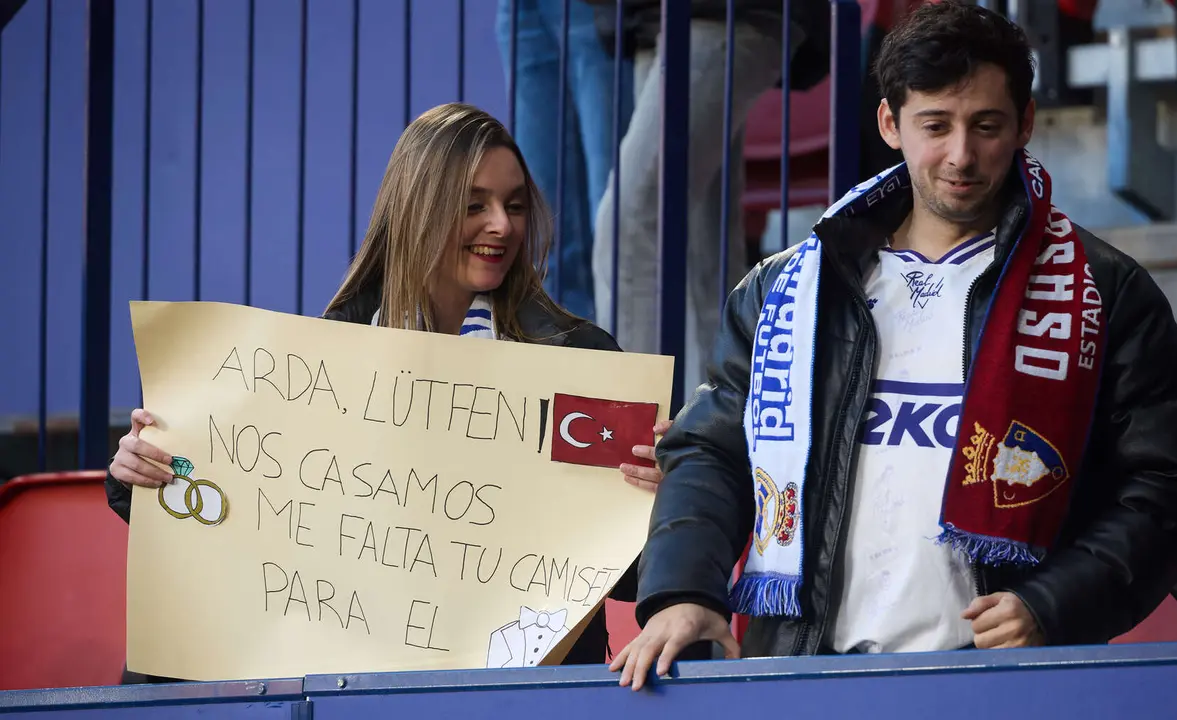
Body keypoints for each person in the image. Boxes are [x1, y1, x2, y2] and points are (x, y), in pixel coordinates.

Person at [611, 1, 1177, 690]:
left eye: (986, 126)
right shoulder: (790, 288)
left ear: (1025, 124)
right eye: (936, 125)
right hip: (804, 676)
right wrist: (684, 591)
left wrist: (1051, 604)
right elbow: (716, 450)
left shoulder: (1105, 292)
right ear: (890, 124)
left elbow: (1167, 487)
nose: (962, 154)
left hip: (1000, 682)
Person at [105, 103, 669, 678]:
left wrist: (654, 502)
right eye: (474, 205)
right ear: (416, 211)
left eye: (515, 205)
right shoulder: (317, 364)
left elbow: (629, 578)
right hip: (357, 683)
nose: (502, 224)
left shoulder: (578, 361)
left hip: (517, 690)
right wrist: (143, 475)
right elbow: (233, 524)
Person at [587, 0, 831, 390]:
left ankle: (625, 425)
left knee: (632, 225)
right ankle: (719, 431)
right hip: (655, 20)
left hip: (724, 14)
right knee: (704, 242)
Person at [495, 0, 634, 322]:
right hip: (520, 9)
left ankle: (625, 358)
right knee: (542, 222)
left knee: (615, 219)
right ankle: (561, 356)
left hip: (597, 8)